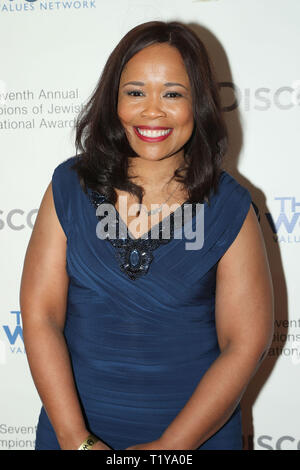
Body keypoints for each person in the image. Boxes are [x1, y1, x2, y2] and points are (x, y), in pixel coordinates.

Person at [20, 20, 274, 451]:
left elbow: (244, 343)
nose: (152, 111)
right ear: (113, 100)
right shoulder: (69, 187)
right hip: (72, 434)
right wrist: (77, 440)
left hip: (196, 440)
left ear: (201, 104)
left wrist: (168, 449)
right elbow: (41, 314)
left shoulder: (230, 207)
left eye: (173, 93)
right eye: (135, 92)